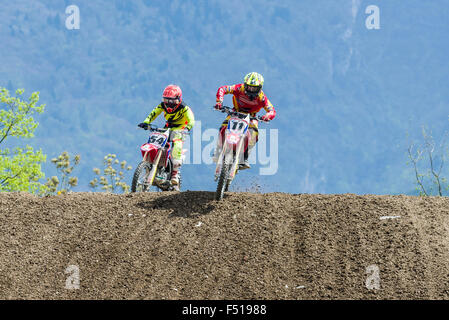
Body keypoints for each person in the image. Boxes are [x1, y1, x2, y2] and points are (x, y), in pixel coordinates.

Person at [213, 72, 276, 169]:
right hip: (235, 112)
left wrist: (266, 116)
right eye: (249, 87)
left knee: (254, 135)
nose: (251, 89)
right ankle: (218, 149)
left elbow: (271, 110)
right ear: (245, 85)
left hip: (252, 117)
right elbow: (223, 89)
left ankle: (244, 157)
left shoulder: (262, 98)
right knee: (223, 127)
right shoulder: (239, 88)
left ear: (259, 88)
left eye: (254, 88)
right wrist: (219, 102)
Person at [138, 84, 194, 189]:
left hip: (180, 129)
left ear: (178, 99)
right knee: (156, 142)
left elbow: (191, 119)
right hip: (167, 127)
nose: (168, 103)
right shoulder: (162, 105)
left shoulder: (184, 108)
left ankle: (175, 173)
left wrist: (187, 128)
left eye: (171, 101)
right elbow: (154, 113)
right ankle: (153, 165)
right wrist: (146, 122)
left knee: (177, 144)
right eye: (166, 100)